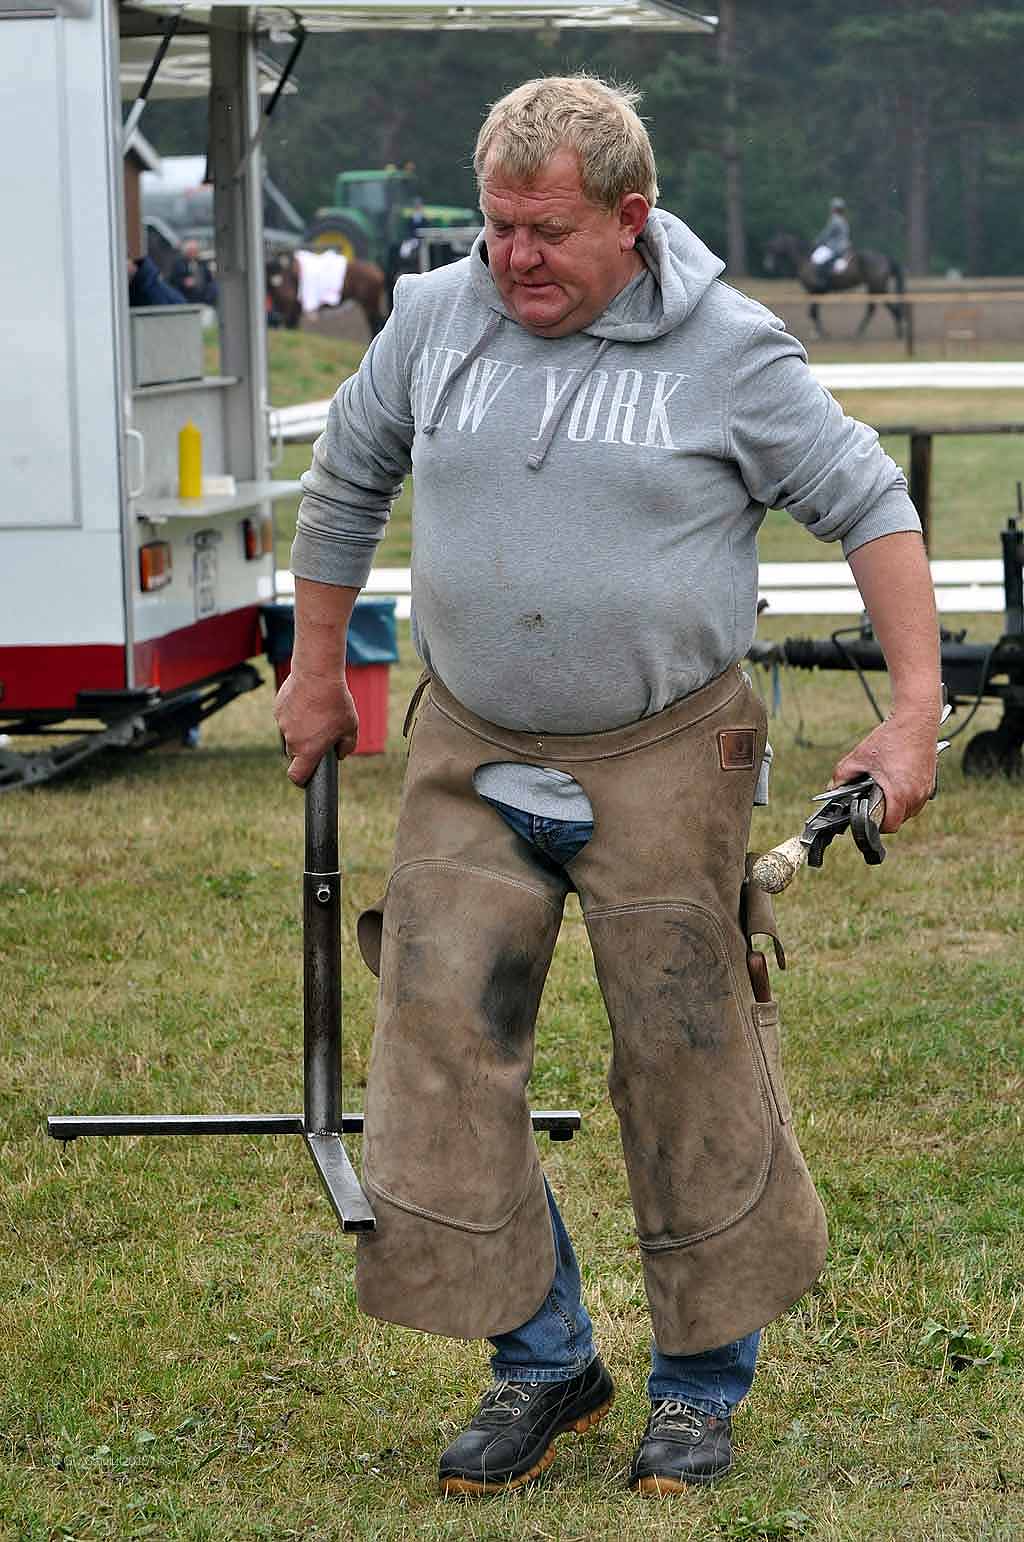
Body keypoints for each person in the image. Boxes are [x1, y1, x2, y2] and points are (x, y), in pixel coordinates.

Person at [275, 76, 941, 1497]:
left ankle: (699, 1390)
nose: (513, 257)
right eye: (499, 226)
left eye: (549, 231)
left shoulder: (730, 348)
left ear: (632, 217)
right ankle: (543, 1361)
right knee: (438, 1036)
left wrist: (913, 717)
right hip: (472, 740)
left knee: (684, 1050)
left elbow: (871, 503)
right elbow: (344, 480)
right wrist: (315, 668)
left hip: (668, 746)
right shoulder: (432, 317)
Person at [810, 196, 852, 284]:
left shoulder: (835, 220)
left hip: (835, 247)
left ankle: (823, 280)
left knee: (816, 259)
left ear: (834, 209)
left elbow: (826, 234)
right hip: (845, 246)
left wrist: (817, 242)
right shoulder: (844, 220)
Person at [169, 238, 217, 306]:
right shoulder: (179, 264)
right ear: (186, 252)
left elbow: (209, 279)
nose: (193, 253)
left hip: (203, 295)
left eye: (195, 251)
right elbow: (173, 280)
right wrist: (184, 282)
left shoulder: (202, 263)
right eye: (191, 251)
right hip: (186, 296)